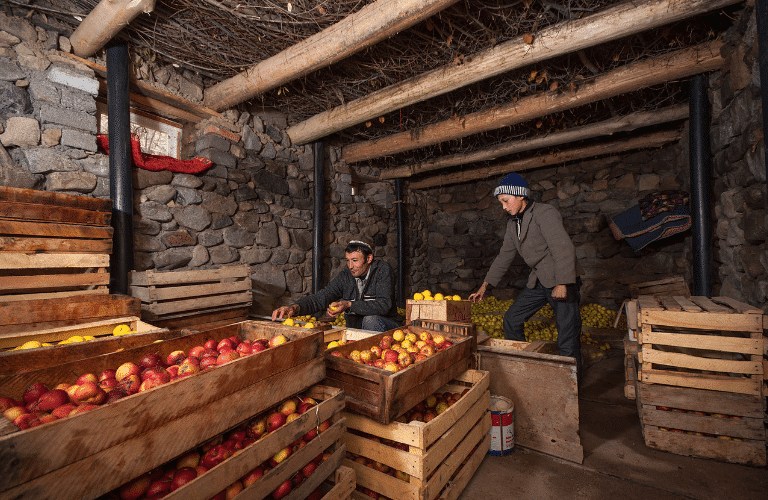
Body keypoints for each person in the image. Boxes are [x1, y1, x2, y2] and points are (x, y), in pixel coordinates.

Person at [469, 172, 584, 383]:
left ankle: (571, 385)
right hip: (539, 281)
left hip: (561, 280)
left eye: (506, 201)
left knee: (567, 335)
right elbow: (504, 256)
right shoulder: (513, 224)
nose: (504, 207)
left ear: (521, 195)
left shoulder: (544, 213)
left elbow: (563, 247)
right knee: (512, 320)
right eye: (501, 203)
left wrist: (563, 282)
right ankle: (524, 368)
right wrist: (485, 285)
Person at [272, 237, 402, 332]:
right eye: (348, 261)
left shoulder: (382, 270)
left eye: (355, 261)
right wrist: (295, 308)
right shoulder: (346, 276)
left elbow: (384, 305)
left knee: (370, 321)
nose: (350, 266)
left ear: (368, 259)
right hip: (357, 333)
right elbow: (321, 297)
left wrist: (349, 305)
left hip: (388, 329)